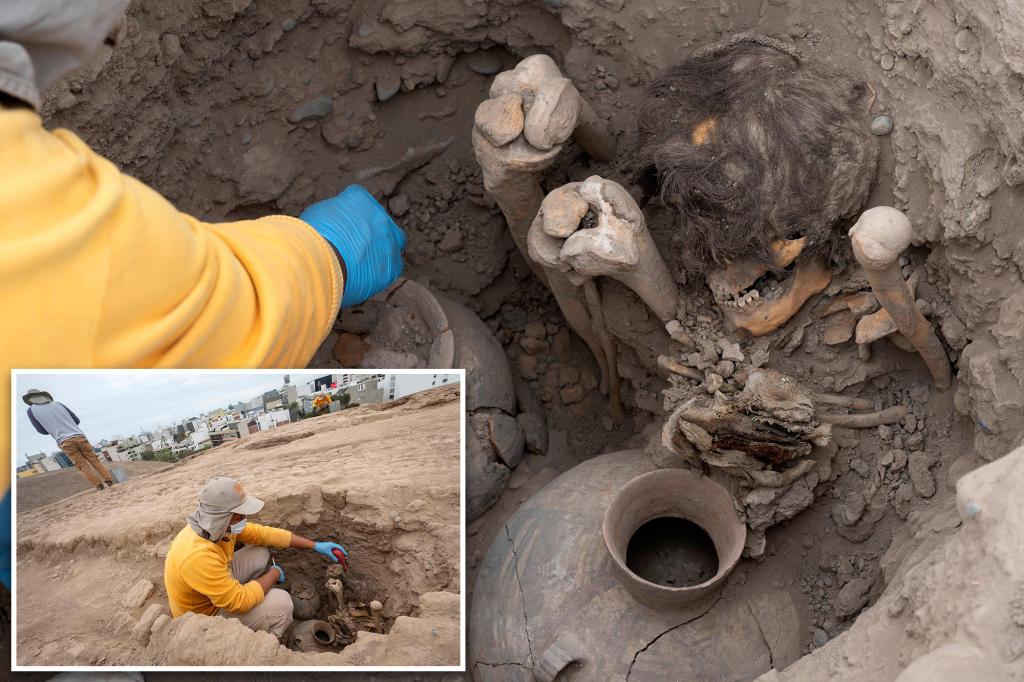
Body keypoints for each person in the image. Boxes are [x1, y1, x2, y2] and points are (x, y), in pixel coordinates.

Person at [0, 3, 407, 589]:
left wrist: (306, 542)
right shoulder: (34, 212)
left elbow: (256, 536)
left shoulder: (218, 530)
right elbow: (221, 320)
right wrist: (328, 254)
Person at [164, 476, 347, 638]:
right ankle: (268, 639)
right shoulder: (197, 555)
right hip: (202, 617)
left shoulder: (214, 525)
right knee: (282, 602)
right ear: (223, 517)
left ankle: (251, 598)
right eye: (240, 514)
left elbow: (264, 534)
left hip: (212, 585)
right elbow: (238, 602)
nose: (244, 517)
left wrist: (315, 545)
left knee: (260, 553)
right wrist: (273, 574)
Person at [22, 389, 116, 491]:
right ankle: (110, 481)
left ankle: (99, 486)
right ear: (43, 396)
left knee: (83, 466)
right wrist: (68, 425)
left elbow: (42, 430)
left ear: (30, 399)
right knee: (95, 461)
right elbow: (76, 420)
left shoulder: (31, 410)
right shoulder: (58, 404)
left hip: (64, 441)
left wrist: (53, 428)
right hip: (79, 437)